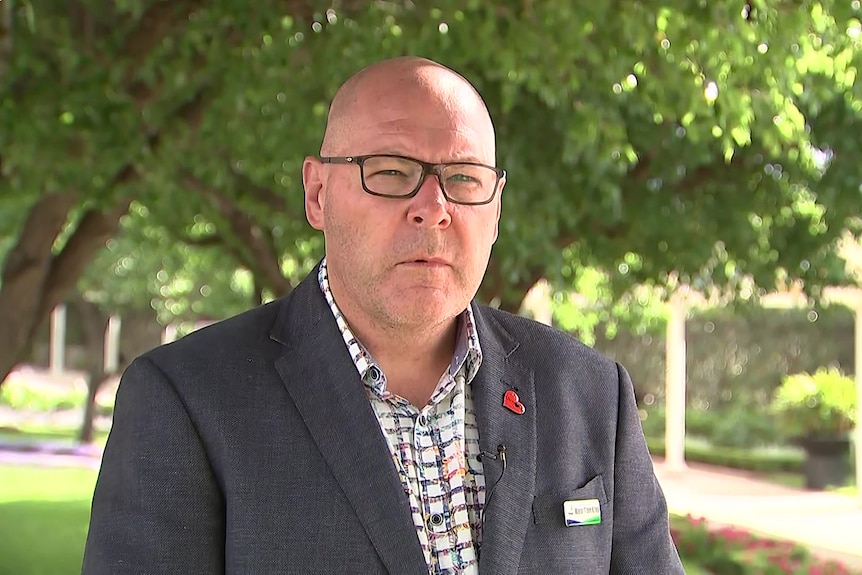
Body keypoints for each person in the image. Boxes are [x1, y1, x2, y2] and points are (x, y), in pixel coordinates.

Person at [83, 56, 684, 574]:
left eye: (464, 179)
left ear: (495, 211)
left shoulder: (589, 395)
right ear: (318, 194)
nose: (433, 208)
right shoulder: (187, 399)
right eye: (392, 172)